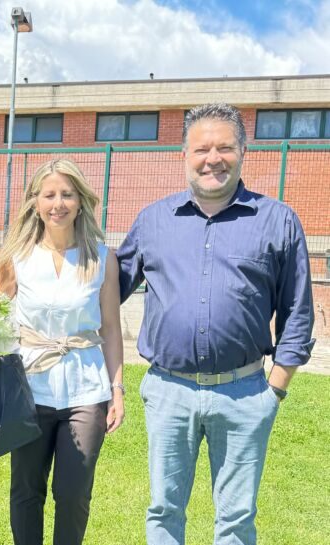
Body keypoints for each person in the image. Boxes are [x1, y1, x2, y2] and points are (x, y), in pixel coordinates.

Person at [117, 103, 315, 545]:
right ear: (184, 155)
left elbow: (297, 311)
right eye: (202, 148)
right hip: (169, 391)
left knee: (237, 519)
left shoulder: (277, 220)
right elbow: (106, 290)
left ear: (243, 151)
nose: (213, 159)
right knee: (164, 510)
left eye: (225, 147)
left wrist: (275, 389)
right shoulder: (153, 221)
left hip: (245, 394)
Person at [0, 158, 124, 545]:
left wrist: (118, 390)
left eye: (67, 194)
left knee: (73, 493)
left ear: (81, 201)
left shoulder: (101, 258)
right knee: (26, 492)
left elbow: (111, 328)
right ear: (35, 202)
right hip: (29, 390)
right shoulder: (16, 258)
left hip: (86, 391)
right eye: (49, 195)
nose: (58, 203)